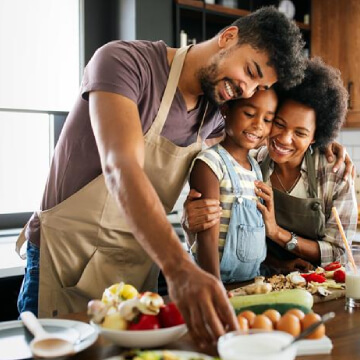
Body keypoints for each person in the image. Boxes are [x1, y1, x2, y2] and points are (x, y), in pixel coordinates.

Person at [16, 6, 310, 346]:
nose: (247, 90)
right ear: (229, 37)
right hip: (67, 259)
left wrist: (325, 152)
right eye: (251, 71)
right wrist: (179, 269)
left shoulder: (214, 114)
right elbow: (121, 168)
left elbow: (254, 147)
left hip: (134, 269)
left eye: (259, 84)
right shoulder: (124, 63)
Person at [184, 58, 358, 275]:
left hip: (320, 285)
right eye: (279, 123)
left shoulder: (335, 174)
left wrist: (277, 233)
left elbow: (339, 251)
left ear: (316, 137)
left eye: (300, 133)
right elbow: (219, 234)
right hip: (261, 282)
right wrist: (191, 219)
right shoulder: (252, 162)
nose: (284, 139)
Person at [189, 89, 277, 283]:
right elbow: (207, 238)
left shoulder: (256, 168)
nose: (258, 125)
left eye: (267, 119)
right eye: (249, 114)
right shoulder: (210, 163)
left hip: (250, 282)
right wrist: (214, 287)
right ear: (225, 109)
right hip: (212, 281)